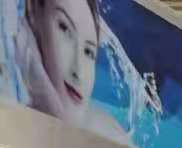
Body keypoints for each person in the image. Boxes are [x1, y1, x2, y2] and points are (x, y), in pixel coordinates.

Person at [17, 0, 125, 138]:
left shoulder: (109, 134)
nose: (78, 72)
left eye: (88, 52)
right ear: (32, 9)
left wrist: (41, 91)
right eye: (64, 28)